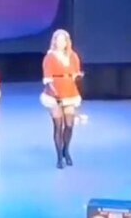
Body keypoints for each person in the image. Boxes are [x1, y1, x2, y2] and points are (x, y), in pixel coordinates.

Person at [39, 29, 83, 169]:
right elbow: (48, 78)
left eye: (63, 40)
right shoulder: (50, 57)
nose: (61, 43)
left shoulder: (73, 56)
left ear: (67, 42)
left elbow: (76, 73)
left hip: (70, 92)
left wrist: (78, 77)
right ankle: (59, 157)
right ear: (54, 42)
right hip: (54, 94)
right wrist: (55, 94)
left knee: (69, 125)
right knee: (58, 126)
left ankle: (66, 150)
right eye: (58, 40)